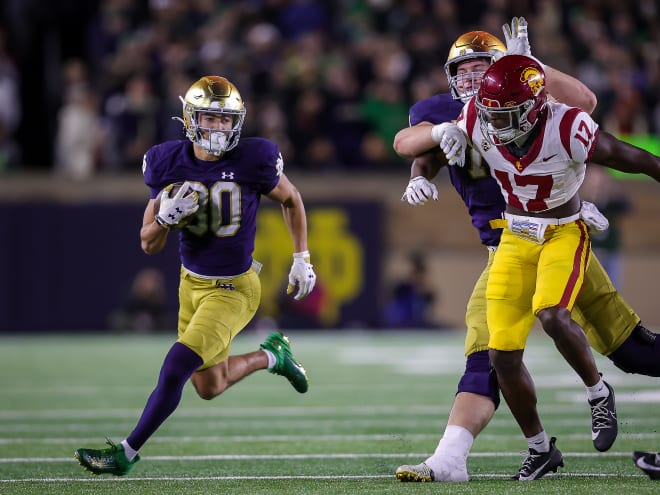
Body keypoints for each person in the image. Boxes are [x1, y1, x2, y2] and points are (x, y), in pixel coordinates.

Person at [393, 19, 660, 483]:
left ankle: (588, 401)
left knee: (630, 350)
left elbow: (587, 109)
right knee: (492, 354)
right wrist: (429, 155)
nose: (475, 81)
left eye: (485, 69)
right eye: (465, 71)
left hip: (561, 232)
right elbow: (409, 144)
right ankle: (462, 456)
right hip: (508, 243)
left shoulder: (539, 107)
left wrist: (532, 66)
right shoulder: (463, 116)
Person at [74, 75, 318, 476]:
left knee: (176, 365)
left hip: (234, 288)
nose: (219, 128)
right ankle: (273, 355)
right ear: (190, 119)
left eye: (226, 120)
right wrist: (164, 222)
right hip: (191, 284)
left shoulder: (255, 157)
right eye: (210, 118)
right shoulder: (167, 160)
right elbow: (147, 243)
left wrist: (302, 256)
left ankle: (126, 453)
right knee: (209, 386)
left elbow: (291, 198)